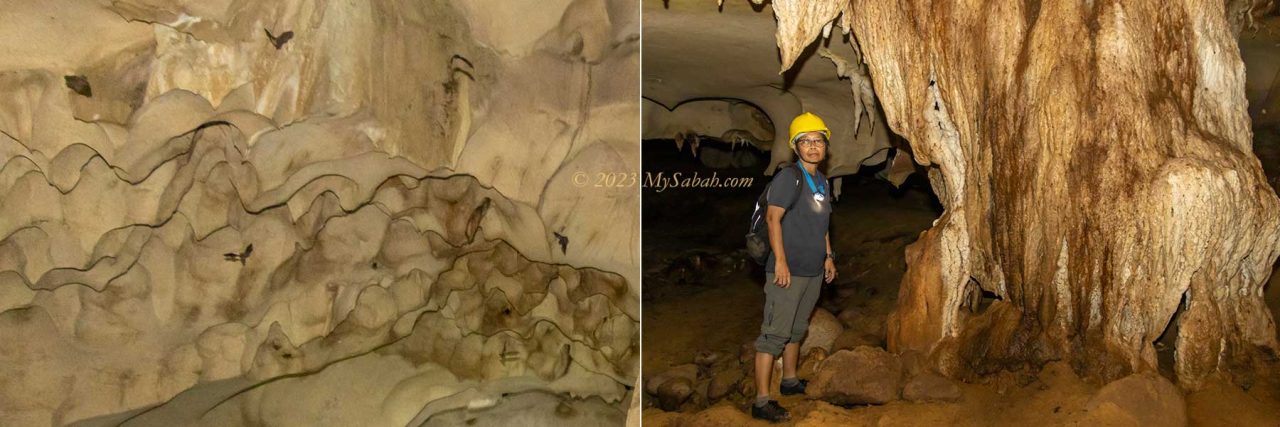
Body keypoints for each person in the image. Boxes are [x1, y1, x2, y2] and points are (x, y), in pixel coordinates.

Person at [751, 112, 838, 422]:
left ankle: (789, 382)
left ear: (825, 146)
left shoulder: (823, 182)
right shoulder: (790, 177)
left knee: (797, 330)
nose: (813, 146)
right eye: (806, 141)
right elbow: (773, 218)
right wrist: (781, 263)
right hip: (786, 271)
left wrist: (828, 256)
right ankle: (761, 402)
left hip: (813, 270)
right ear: (796, 147)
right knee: (773, 335)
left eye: (818, 141)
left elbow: (823, 223)